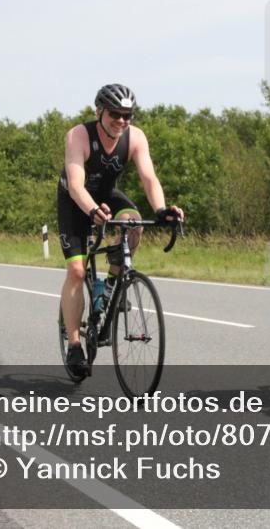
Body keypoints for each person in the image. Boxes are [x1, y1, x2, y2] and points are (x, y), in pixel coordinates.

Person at [58, 84, 183, 376]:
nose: (122, 120)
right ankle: (75, 345)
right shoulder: (79, 135)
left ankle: (113, 283)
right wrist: (92, 211)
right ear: (99, 111)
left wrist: (162, 210)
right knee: (77, 271)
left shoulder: (135, 137)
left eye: (128, 115)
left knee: (134, 223)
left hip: (107, 194)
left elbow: (149, 178)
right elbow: (76, 185)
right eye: (116, 113)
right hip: (75, 202)